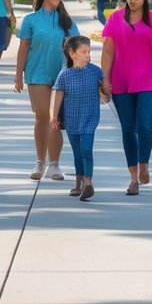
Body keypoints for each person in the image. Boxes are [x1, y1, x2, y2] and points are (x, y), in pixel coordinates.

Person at [101, 0, 152, 195]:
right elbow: (108, 51)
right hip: (121, 80)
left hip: (149, 79)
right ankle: (133, 179)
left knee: (146, 125)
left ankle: (144, 164)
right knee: (128, 128)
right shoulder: (114, 18)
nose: (132, 2)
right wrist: (106, 79)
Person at [14, 0, 80, 181]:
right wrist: (18, 76)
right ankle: (39, 162)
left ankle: (54, 165)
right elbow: (23, 47)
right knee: (42, 115)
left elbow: (77, 48)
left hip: (61, 76)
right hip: (37, 73)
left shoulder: (67, 22)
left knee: (54, 119)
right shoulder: (30, 20)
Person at [51, 35, 105, 201]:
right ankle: (78, 183)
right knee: (77, 152)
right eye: (84, 52)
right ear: (72, 53)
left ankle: (88, 182)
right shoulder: (64, 75)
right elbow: (58, 95)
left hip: (90, 117)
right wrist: (54, 116)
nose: (88, 55)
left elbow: (105, 88)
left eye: (89, 51)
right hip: (71, 118)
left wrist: (106, 93)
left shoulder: (96, 72)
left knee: (86, 149)